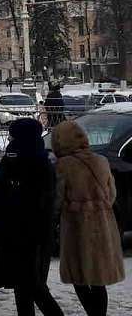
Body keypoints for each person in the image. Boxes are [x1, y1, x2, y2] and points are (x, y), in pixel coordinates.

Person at [0, 118, 63, 316]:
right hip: (30, 235)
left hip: (25, 235)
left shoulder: (25, 161)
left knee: (32, 287)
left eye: (13, 135)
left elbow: (5, 195)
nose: (9, 138)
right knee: (24, 288)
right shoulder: (34, 159)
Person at [52, 120, 125, 316]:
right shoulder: (101, 161)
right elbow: (112, 195)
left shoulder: (63, 166)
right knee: (98, 279)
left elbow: (57, 200)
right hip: (103, 227)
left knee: (79, 278)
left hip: (77, 229)